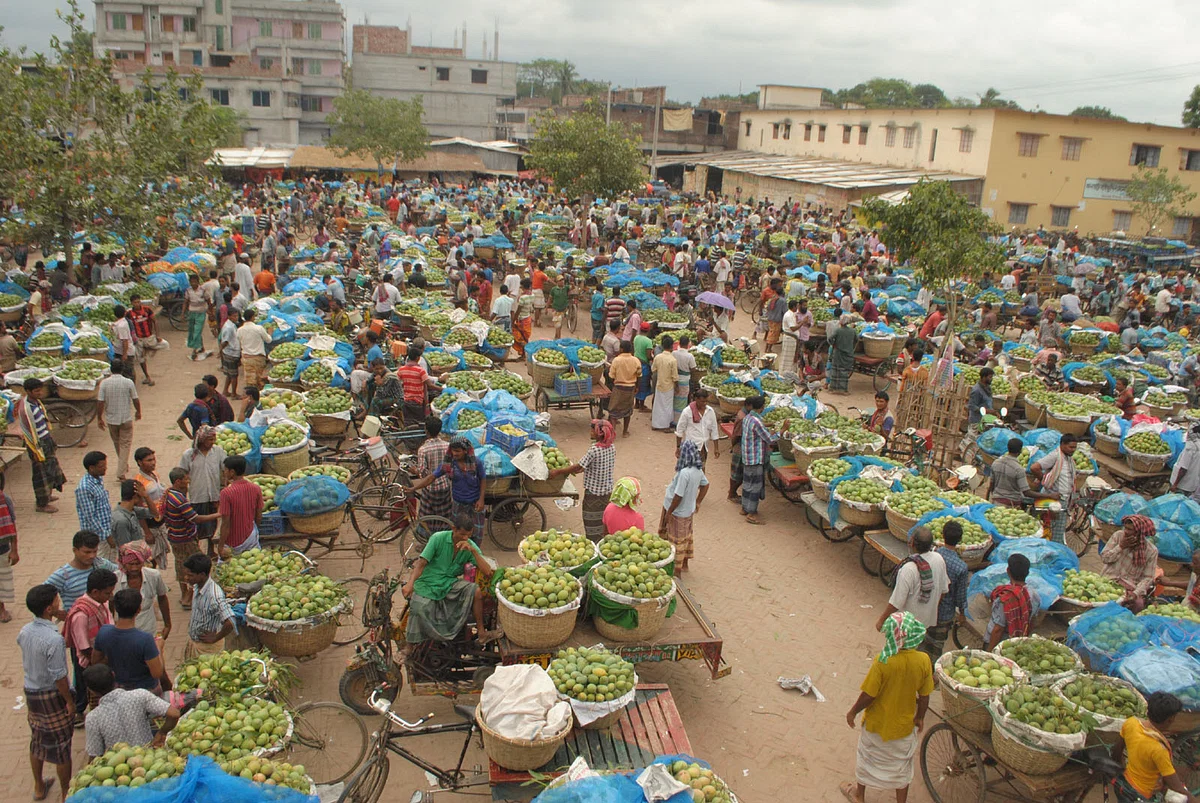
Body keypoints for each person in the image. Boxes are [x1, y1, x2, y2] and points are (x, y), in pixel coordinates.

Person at [842, 611, 934, 803]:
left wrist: (853, 712)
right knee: (902, 766)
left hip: (877, 723)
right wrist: (919, 717)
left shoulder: (883, 662)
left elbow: (869, 695)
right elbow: (924, 696)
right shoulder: (924, 661)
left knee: (867, 757)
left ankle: (860, 795)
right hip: (904, 726)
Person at [401, 513, 497, 645]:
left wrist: (473, 551)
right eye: (462, 534)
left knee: (476, 591)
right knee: (418, 608)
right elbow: (421, 564)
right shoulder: (437, 538)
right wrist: (410, 584)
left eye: (468, 535)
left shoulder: (469, 545)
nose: (465, 538)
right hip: (427, 582)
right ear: (453, 529)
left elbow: (487, 571)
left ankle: (481, 633)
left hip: (448, 583)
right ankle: (409, 647)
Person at [18, 585, 73, 803]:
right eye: (57, 600)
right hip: (51, 694)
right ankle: (65, 792)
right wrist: (68, 700)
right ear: (50, 607)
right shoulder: (54, 639)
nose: (60, 602)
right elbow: (59, 676)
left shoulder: (25, 631)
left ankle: (39, 787)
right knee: (61, 745)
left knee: (38, 739)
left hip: (31, 691)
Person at [1111, 692, 1200, 803]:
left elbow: (1116, 751)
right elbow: (1176, 787)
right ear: (1170, 719)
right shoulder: (1158, 749)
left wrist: (1121, 772)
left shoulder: (1131, 723)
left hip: (1123, 785)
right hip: (1141, 795)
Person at [408, 436, 486, 542]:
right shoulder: (449, 464)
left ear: (465, 451)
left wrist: (481, 499)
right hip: (458, 505)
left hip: (475, 504)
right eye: (453, 451)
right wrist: (414, 488)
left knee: (476, 535)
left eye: (458, 451)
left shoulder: (476, 463)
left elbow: (483, 479)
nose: (455, 454)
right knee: (458, 536)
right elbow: (431, 477)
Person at [92, 588, 170, 693]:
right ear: (139, 609)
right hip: (145, 692)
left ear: (115, 607)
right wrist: (159, 647)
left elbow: (95, 662)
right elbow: (157, 673)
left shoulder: (104, 632)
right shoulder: (145, 639)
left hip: (118, 690)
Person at [552, 419, 617, 542]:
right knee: (603, 522)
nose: (590, 432)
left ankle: (594, 546)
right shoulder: (612, 447)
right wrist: (583, 469)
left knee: (592, 524)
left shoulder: (594, 449)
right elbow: (599, 465)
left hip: (593, 495)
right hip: (607, 494)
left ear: (599, 433)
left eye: (592, 430)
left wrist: (558, 471)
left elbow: (578, 466)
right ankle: (602, 544)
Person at [62, 568, 117, 714]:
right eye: (107, 593)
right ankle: (79, 710)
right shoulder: (81, 615)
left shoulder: (101, 603)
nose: (110, 596)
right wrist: (100, 662)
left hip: (102, 657)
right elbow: (84, 647)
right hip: (90, 661)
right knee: (88, 690)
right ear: (95, 592)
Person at [876, 527, 950, 631]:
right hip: (926, 622)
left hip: (906, 625)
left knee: (902, 647)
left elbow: (897, 602)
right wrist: (930, 608)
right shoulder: (939, 559)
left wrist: (881, 620)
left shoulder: (908, 569)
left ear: (912, 543)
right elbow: (944, 590)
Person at [162, 468, 217, 608]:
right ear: (178, 481)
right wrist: (217, 515)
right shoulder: (179, 500)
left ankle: (184, 593)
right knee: (197, 564)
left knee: (180, 563)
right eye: (186, 479)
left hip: (175, 536)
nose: (189, 482)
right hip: (185, 538)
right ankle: (189, 596)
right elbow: (195, 518)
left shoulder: (169, 493)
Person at [16, 378, 67, 513]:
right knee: (41, 474)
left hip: (46, 440)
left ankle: (47, 495)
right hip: (37, 445)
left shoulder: (36, 402)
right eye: (36, 391)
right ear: (28, 391)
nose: (39, 393)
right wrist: (36, 449)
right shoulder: (26, 409)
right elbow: (28, 431)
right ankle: (42, 503)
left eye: (40, 390)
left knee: (50, 469)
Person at [658, 442, 709, 573]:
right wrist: (697, 502)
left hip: (677, 512)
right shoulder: (697, 470)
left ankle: (676, 571)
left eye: (680, 451)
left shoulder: (685, 473)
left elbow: (678, 496)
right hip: (688, 511)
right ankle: (684, 563)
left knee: (677, 541)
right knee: (687, 536)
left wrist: (669, 512)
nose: (678, 453)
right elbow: (705, 485)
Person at [924, 521, 970, 659]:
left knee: (920, 640)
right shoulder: (961, 567)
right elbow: (960, 596)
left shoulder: (932, 554)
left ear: (942, 535)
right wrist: (962, 614)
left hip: (926, 606)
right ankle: (931, 673)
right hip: (944, 613)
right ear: (960, 540)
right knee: (935, 647)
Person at [1101, 515, 1160, 613]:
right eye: (1126, 528)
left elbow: (1148, 577)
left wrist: (1135, 593)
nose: (1126, 532)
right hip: (1108, 579)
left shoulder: (1151, 551)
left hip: (1129, 587)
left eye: (1130, 530)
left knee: (1138, 604)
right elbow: (1105, 558)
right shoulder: (1118, 536)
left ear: (1139, 533)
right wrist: (1120, 547)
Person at [114, 543, 170, 642]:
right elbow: (110, 604)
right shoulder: (115, 579)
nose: (134, 568)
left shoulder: (153, 575)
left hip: (148, 630)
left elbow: (162, 598)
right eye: (131, 564)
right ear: (124, 563)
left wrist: (167, 625)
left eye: (138, 563)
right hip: (123, 632)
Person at [1029, 433, 1078, 544]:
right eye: (1071, 447)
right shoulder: (1055, 456)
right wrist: (1046, 482)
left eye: (1075, 447)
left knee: (1056, 530)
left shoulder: (1068, 458)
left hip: (1063, 500)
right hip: (1054, 501)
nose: (1073, 450)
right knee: (1052, 531)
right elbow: (1034, 468)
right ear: (1062, 445)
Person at [182, 553, 234, 657]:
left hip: (208, 650)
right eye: (186, 574)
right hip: (197, 644)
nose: (186, 578)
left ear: (202, 574)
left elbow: (230, 622)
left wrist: (216, 637)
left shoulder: (214, 595)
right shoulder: (197, 586)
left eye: (190, 575)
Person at [986, 554, 1038, 649]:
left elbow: (998, 629)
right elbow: (1032, 621)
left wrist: (990, 651)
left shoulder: (1005, 598)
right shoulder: (1034, 595)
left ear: (1008, 571)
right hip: (1017, 643)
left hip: (1001, 644)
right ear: (1027, 573)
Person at [216, 455, 262, 556]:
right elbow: (259, 515)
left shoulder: (226, 493)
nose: (224, 472)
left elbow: (226, 523)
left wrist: (220, 545)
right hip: (250, 536)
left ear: (232, 472)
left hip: (233, 540)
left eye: (225, 470)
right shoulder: (256, 488)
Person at [76, 451, 117, 562]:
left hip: (107, 530)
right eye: (101, 466)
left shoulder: (98, 480)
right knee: (100, 563)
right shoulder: (84, 488)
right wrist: (107, 536)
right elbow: (90, 517)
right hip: (97, 536)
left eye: (105, 465)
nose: (105, 468)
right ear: (91, 468)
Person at [739, 395, 772, 525]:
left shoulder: (748, 418)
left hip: (747, 457)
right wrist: (782, 430)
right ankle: (751, 514)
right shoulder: (756, 422)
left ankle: (744, 508)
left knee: (747, 483)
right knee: (755, 486)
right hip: (755, 458)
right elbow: (770, 439)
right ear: (762, 407)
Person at [675, 388, 721, 465]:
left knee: (701, 470)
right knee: (690, 471)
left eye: (706, 401)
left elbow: (714, 430)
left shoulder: (710, 411)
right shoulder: (687, 412)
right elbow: (679, 430)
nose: (705, 403)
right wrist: (678, 447)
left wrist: (716, 448)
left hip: (703, 447)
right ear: (696, 399)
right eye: (702, 401)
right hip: (691, 447)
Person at [961, 366, 995, 462]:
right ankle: (965, 456)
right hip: (977, 419)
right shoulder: (976, 390)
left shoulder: (987, 388)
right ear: (983, 377)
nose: (991, 379)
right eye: (989, 377)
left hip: (986, 420)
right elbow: (972, 406)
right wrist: (987, 411)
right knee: (972, 438)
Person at [608, 341, 641, 438]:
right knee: (628, 410)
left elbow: (611, 376)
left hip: (618, 388)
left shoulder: (616, 360)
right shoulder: (636, 360)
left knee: (613, 411)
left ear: (621, 349)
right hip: (630, 388)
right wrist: (637, 387)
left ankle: (613, 433)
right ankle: (625, 432)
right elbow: (639, 375)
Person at [989, 438, 1032, 507]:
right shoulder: (1019, 469)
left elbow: (991, 484)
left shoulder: (996, 462)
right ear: (1020, 451)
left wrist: (995, 496)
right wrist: (1048, 495)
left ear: (1008, 448)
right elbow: (1026, 492)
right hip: (1011, 505)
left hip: (996, 502)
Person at [236, 310, 271, 391]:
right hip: (258, 358)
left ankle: (251, 396)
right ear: (252, 317)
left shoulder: (240, 330)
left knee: (250, 381)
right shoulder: (259, 328)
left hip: (246, 358)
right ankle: (260, 396)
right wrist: (270, 333)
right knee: (260, 380)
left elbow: (239, 343)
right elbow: (268, 340)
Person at [650, 335, 680, 430]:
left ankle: (656, 424)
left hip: (659, 384)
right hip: (669, 386)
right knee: (667, 406)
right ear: (672, 346)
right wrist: (677, 387)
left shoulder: (658, 357)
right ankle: (665, 426)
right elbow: (675, 376)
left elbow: (653, 369)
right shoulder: (673, 360)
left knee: (658, 405)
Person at [0, 473, 17, 623]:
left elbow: (12, 526)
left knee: (2, 578)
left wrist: (14, 549)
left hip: (1, 547)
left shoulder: (5, 500)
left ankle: (1, 608)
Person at [671, 335, 697, 424]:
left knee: (674, 400)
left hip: (675, 379)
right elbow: (693, 369)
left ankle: (672, 419)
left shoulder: (674, 353)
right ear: (688, 344)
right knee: (682, 401)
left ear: (679, 343)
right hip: (685, 380)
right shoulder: (690, 356)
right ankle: (678, 421)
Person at [185, 273, 211, 361]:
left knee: (197, 330)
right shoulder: (188, 291)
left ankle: (194, 350)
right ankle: (202, 347)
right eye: (191, 282)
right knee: (193, 331)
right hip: (192, 312)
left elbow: (208, 300)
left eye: (194, 282)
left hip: (201, 312)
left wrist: (211, 311)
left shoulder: (203, 290)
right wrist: (183, 313)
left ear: (198, 282)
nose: (193, 284)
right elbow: (186, 301)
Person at [828, 315, 856, 393]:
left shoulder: (838, 330)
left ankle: (833, 388)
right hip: (848, 354)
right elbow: (856, 340)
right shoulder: (852, 331)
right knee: (844, 372)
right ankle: (843, 389)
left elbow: (830, 339)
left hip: (838, 353)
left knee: (835, 371)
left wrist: (833, 344)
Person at [218, 309, 241, 400]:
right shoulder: (229, 327)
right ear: (229, 316)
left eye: (237, 316)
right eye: (234, 316)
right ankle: (234, 394)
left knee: (229, 374)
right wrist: (220, 351)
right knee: (234, 375)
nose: (236, 318)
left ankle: (225, 391)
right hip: (231, 353)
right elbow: (225, 341)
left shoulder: (231, 325)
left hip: (228, 352)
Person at [513, 278, 535, 357]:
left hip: (522, 319)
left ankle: (526, 354)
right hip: (528, 318)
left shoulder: (522, 298)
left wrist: (513, 320)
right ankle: (524, 355)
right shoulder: (532, 295)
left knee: (519, 337)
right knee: (525, 338)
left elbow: (518, 310)